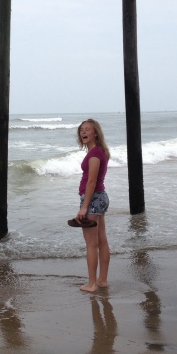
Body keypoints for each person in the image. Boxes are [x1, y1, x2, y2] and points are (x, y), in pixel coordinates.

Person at [75, 118, 111, 293]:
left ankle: (92, 284)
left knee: (91, 244)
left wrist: (84, 207)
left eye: (87, 129)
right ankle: (102, 280)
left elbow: (91, 182)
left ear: (95, 132)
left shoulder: (95, 154)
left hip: (93, 199)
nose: (83, 132)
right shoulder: (99, 151)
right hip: (100, 198)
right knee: (101, 241)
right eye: (81, 130)